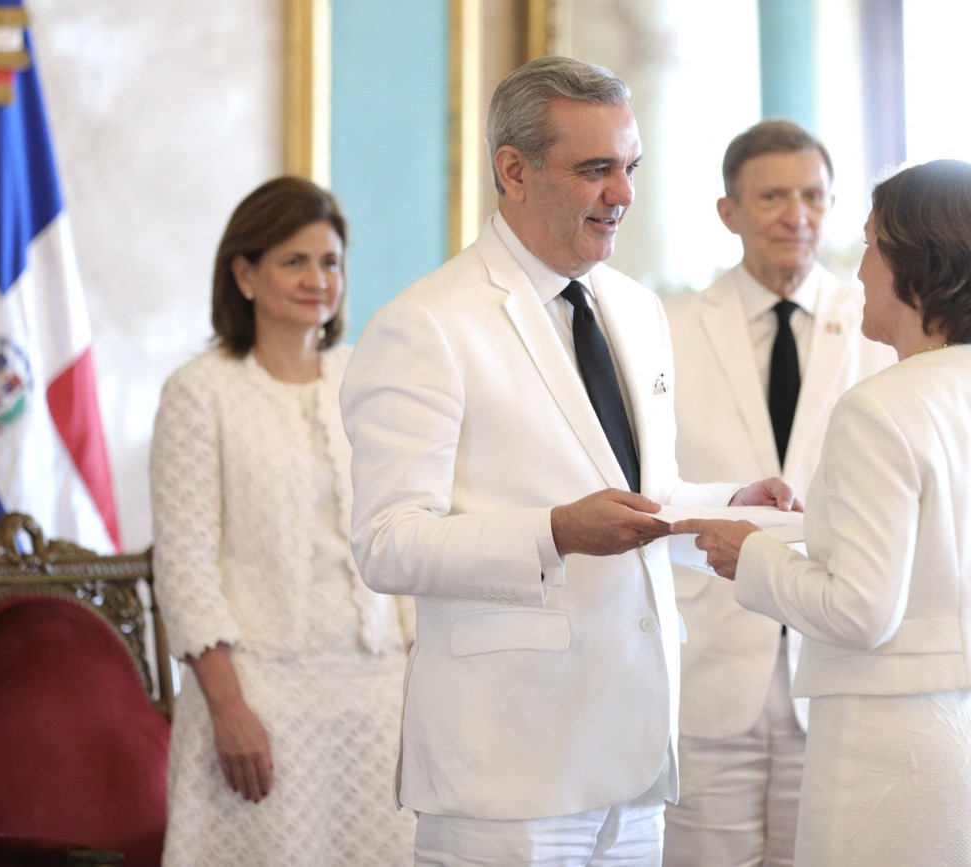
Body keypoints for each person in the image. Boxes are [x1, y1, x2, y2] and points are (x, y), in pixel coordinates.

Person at [339, 56, 793, 865]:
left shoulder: (639, 309)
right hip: (507, 766)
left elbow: (642, 497)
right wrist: (552, 532)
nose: (622, 193)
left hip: (637, 755)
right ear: (513, 171)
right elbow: (387, 542)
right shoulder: (427, 324)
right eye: (595, 169)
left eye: (630, 168)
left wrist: (727, 503)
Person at [673, 159, 971, 865]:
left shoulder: (878, 407)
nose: (859, 268)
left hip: (895, 756)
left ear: (912, 263)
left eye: (869, 243)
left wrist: (751, 554)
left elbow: (860, 612)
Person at [149, 176, 415, 865]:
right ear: (244, 274)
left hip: (378, 693)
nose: (317, 280)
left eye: (330, 262)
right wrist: (228, 708)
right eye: (293, 261)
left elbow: (405, 528)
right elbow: (184, 566)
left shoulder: (365, 378)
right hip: (258, 695)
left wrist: (424, 677)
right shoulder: (199, 392)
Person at [663, 120, 895, 866]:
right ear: (729, 211)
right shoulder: (668, 329)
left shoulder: (882, 329)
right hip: (709, 654)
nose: (797, 215)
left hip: (835, 663)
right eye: (772, 197)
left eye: (813, 196)